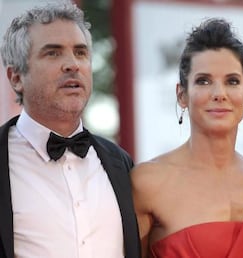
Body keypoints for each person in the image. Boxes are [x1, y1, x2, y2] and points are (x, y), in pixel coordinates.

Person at [130, 18, 243, 258]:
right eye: (204, 81)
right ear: (182, 94)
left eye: (232, 81)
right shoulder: (148, 182)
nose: (219, 94)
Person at [0, 2, 140, 258]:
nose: (72, 64)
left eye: (81, 52)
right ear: (16, 78)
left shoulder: (120, 164)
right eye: (53, 53)